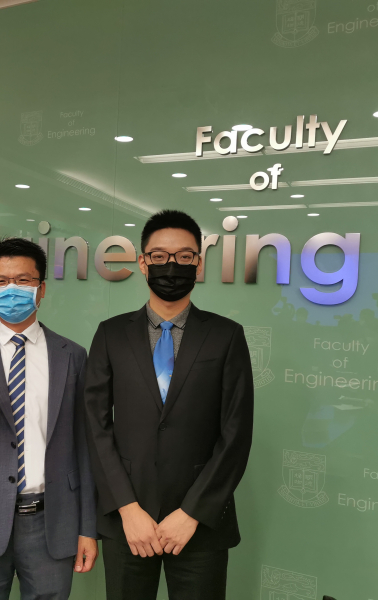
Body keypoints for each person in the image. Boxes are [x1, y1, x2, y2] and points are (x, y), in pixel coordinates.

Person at [84, 210, 254, 600]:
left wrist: (192, 512)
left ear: (199, 263)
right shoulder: (111, 334)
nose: (171, 266)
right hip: (128, 521)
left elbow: (236, 433)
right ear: (143, 263)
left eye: (184, 256)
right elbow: (95, 426)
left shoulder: (226, 335)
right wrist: (127, 508)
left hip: (199, 523)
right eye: (159, 256)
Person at [0, 238, 98, 600]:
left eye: (23, 280)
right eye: (1, 281)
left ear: (41, 289)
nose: (11, 288)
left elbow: (85, 445)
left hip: (51, 519)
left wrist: (87, 527)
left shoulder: (72, 356)